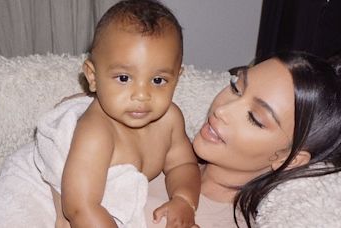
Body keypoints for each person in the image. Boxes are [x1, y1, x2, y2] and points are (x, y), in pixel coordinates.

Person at [145, 51, 341, 227]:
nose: (222, 110)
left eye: (255, 118)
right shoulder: (154, 147)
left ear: (288, 157)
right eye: (235, 88)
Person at [49, 0, 201, 227]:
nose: (142, 95)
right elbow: (80, 207)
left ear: (177, 78)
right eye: (123, 78)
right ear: (92, 76)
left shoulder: (170, 120)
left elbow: (183, 165)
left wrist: (184, 199)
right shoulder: (96, 132)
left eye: (158, 80)